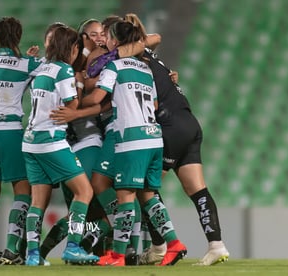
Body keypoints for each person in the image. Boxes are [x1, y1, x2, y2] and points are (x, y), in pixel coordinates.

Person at [121, 13, 230, 266]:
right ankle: (216, 245)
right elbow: (152, 39)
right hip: (189, 122)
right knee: (196, 188)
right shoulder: (150, 56)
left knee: (145, 189)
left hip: (169, 124)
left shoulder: (130, 58)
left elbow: (146, 41)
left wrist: (129, 39)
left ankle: (160, 246)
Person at [79, 20, 187, 267]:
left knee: (126, 197)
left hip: (133, 140)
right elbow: (156, 105)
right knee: (149, 197)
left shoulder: (114, 66)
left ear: (115, 42)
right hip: (153, 137)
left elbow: (96, 98)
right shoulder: (144, 68)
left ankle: (117, 255)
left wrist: (74, 103)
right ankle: (174, 244)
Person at [22, 25, 99, 266]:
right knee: (84, 191)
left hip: (30, 141)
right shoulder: (64, 70)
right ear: (73, 48)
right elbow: (71, 106)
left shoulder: (42, 67)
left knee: (37, 201)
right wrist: (77, 88)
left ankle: (33, 255)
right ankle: (73, 247)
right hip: (51, 140)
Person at [0, 17, 45, 265]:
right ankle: (12, 249)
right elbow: (48, 69)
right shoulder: (29, 63)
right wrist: (29, 58)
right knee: (23, 190)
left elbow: (8, 69)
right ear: (19, 36)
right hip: (8, 131)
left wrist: (22, 57)